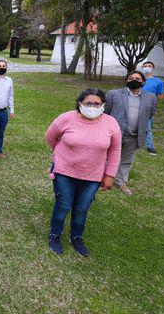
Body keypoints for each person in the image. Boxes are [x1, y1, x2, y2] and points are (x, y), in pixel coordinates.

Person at [45, 88, 122, 256]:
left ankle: (76, 237)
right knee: (63, 205)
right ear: (80, 103)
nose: (92, 106)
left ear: (103, 105)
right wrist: (60, 154)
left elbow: (115, 151)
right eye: (88, 103)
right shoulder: (66, 118)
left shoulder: (111, 123)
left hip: (93, 175)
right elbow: (50, 137)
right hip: (64, 172)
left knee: (81, 208)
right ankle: (55, 235)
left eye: (97, 103)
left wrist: (110, 175)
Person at [104, 71, 157, 196]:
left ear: (143, 82)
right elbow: (105, 112)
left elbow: (150, 114)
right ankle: (102, 179)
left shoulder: (151, 97)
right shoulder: (113, 94)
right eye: (131, 78)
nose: (134, 80)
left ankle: (120, 182)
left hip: (134, 135)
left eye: (137, 78)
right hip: (115, 134)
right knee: (106, 157)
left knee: (126, 160)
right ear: (126, 80)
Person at [140, 61, 164, 156]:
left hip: (148, 107)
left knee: (147, 127)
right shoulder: (139, 79)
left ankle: (150, 147)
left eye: (149, 66)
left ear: (153, 68)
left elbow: (160, 95)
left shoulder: (158, 81)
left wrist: (152, 102)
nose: (147, 67)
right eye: (145, 66)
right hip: (135, 104)